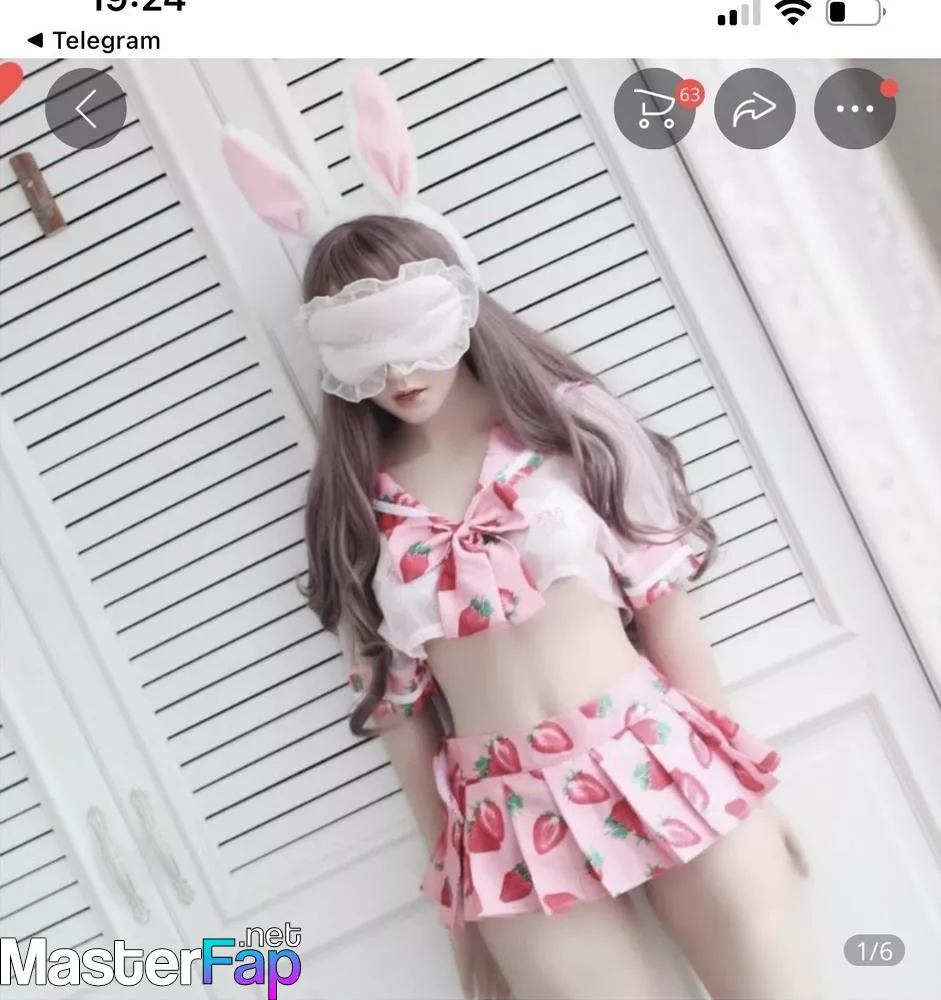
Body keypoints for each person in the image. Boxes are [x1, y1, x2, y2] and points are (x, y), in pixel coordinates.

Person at [223, 70, 822, 1000]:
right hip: (503, 821)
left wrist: (747, 781)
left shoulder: (571, 428)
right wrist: (456, 906)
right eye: (368, 351)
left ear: (458, 303)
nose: (401, 373)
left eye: (414, 332)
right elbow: (400, 720)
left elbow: (665, 612)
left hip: (660, 752)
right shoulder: (351, 509)